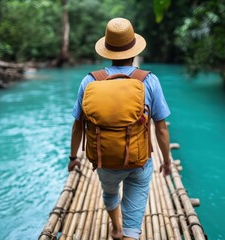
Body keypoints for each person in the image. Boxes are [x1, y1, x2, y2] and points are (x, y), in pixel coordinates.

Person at [68, 17, 172, 240]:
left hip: (104, 160)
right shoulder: (150, 80)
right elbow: (161, 129)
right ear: (134, 51)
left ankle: (115, 228)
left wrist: (73, 157)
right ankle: (126, 232)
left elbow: (78, 126)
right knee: (133, 225)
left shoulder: (89, 82)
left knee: (110, 192)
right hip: (139, 161)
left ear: (106, 50)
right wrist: (166, 161)